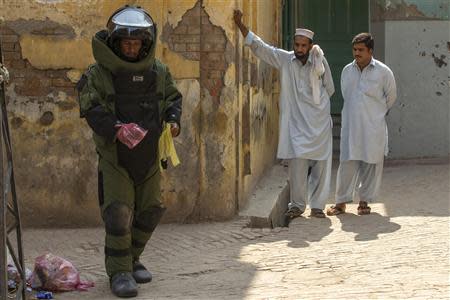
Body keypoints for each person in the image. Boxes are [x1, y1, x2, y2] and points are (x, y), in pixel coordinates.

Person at [77, 5, 182, 298]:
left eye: (137, 43)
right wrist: (116, 129)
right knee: (119, 213)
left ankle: (133, 259)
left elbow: (174, 97)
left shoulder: (159, 71)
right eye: (127, 43)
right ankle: (119, 272)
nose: (132, 48)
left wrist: (174, 120)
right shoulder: (97, 73)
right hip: (115, 156)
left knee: (151, 210)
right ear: (116, 42)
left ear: (145, 43)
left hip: (149, 156)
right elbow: (90, 107)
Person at [234, 10, 335, 219]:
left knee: (321, 166)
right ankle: (297, 205)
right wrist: (241, 26)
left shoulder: (320, 62)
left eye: (303, 46)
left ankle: (317, 206)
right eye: (296, 45)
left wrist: (319, 108)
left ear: (309, 46)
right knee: (297, 165)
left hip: (319, 123)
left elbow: (330, 88)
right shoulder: (285, 60)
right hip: (297, 124)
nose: (299, 49)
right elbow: (262, 48)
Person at [327, 33, 396, 216]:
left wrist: (375, 114)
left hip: (373, 127)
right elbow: (345, 94)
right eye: (355, 49)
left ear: (370, 51)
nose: (357, 53)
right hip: (351, 126)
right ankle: (340, 202)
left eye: (361, 50)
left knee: (371, 164)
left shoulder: (383, 72)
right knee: (347, 163)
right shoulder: (347, 71)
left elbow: (391, 97)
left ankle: (364, 202)